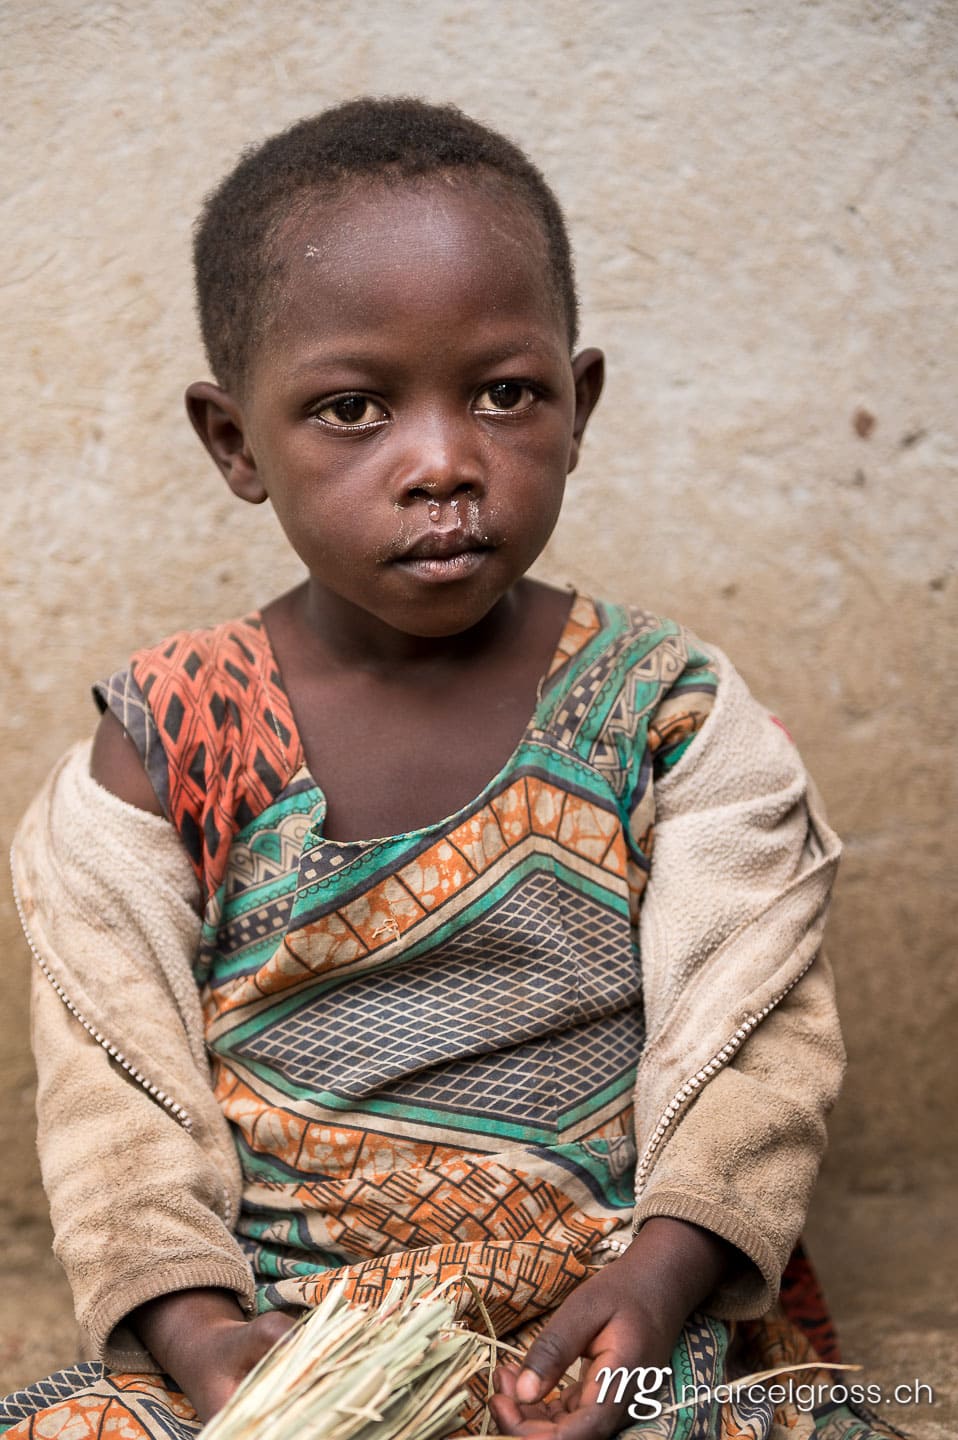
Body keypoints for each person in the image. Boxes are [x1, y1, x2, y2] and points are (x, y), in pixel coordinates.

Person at [3, 99, 894, 1440]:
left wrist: (659, 1283)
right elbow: (112, 1091)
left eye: (503, 394)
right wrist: (197, 1333)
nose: (441, 463)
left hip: (602, 1311)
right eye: (351, 409)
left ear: (577, 406)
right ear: (235, 441)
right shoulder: (168, 743)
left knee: (736, 1419)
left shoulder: (665, 716)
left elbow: (751, 1044)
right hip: (287, 1323)